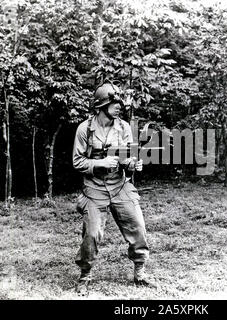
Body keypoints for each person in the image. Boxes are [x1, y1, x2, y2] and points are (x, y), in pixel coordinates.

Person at [72, 82, 154, 294]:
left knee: (137, 225)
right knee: (92, 234)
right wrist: (100, 163)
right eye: (114, 103)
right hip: (95, 188)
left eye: (119, 103)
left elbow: (128, 158)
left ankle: (140, 272)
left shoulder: (124, 127)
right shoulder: (85, 129)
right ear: (101, 106)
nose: (119, 107)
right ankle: (85, 275)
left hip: (119, 185)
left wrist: (133, 164)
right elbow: (77, 162)